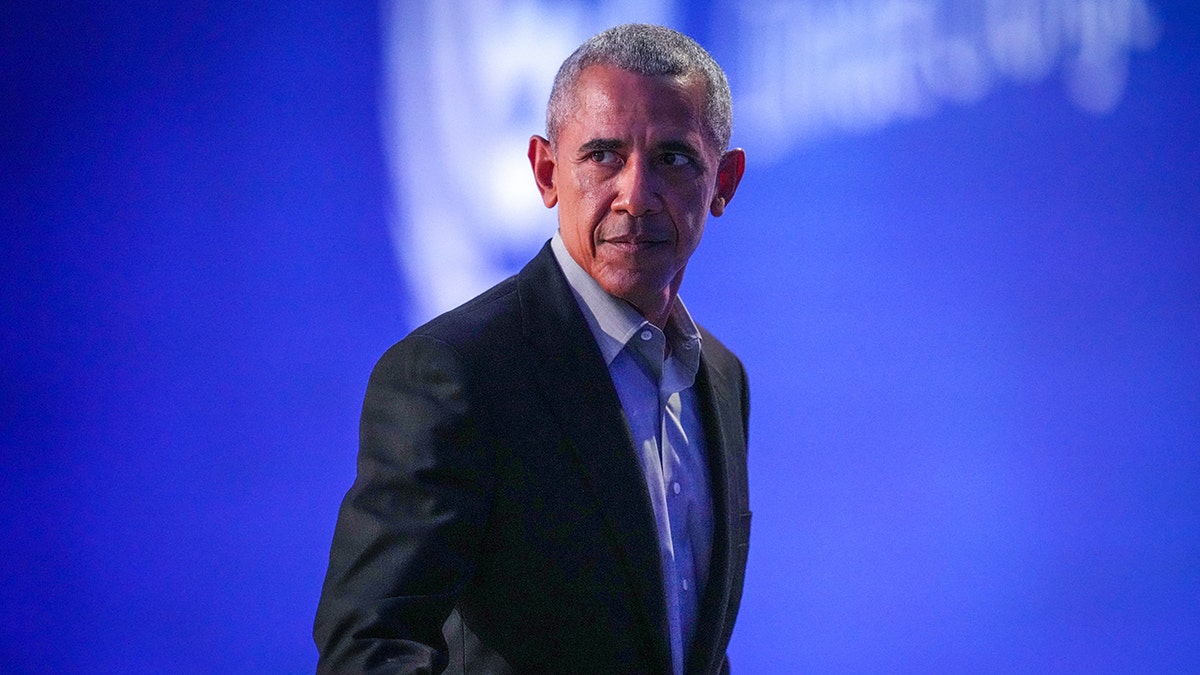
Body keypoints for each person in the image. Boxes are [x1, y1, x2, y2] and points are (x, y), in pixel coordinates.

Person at [314, 23, 749, 674]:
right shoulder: (455, 372)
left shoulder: (720, 376)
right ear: (547, 172)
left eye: (672, 158)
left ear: (723, 181)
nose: (635, 195)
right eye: (603, 154)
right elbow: (368, 648)